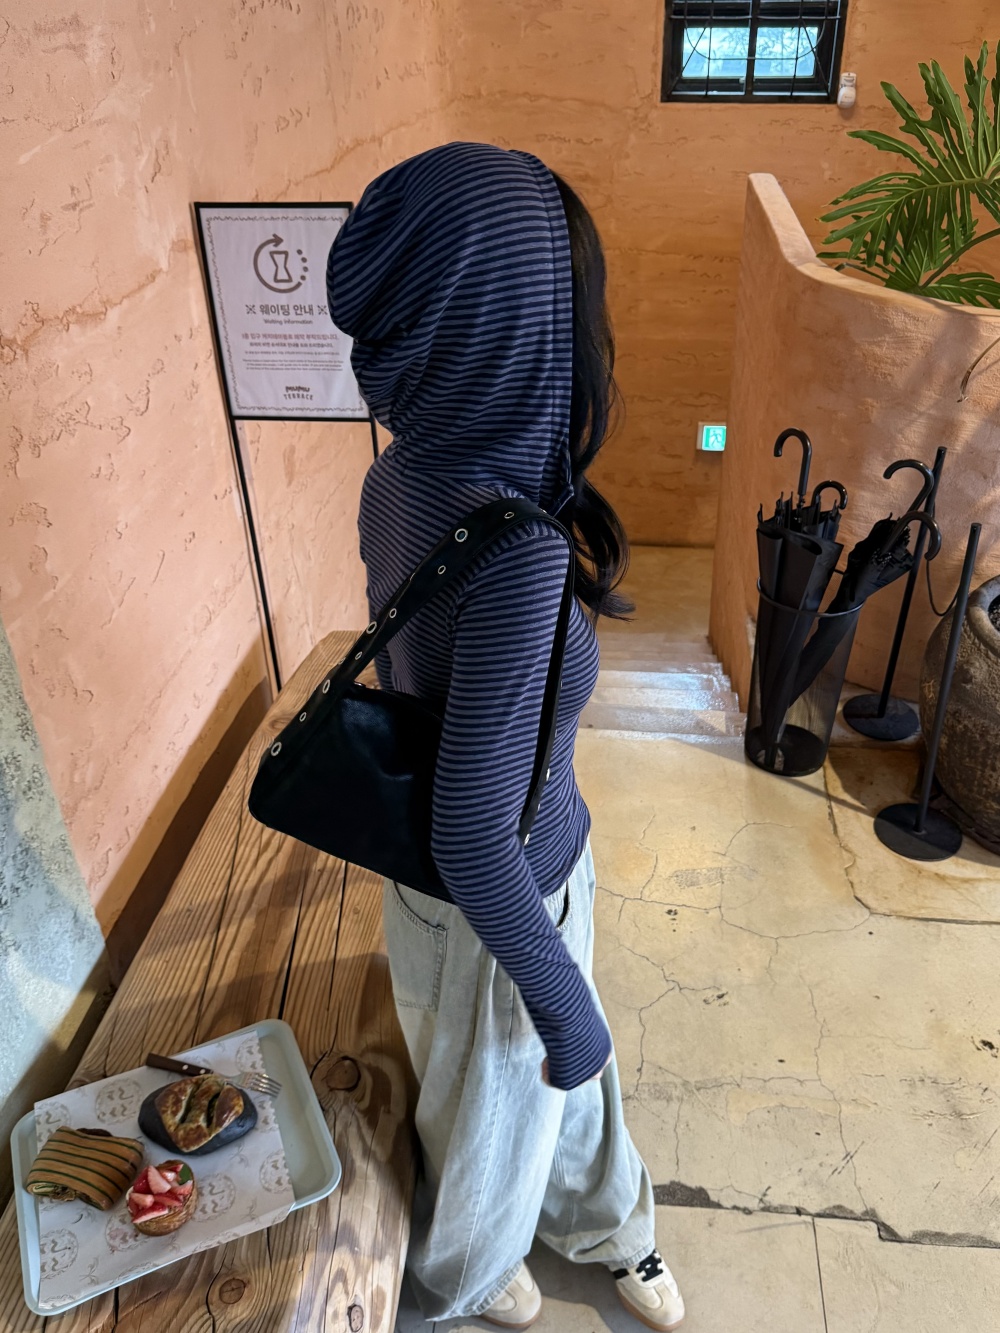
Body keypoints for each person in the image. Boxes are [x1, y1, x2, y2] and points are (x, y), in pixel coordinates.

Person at [326, 141, 685, 1332]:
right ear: (513, 326)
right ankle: (477, 1275)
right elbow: (473, 833)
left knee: (540, 1089)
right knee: (494, 1118)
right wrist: (565, 1004)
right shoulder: (520, 551)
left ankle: (606, 1224)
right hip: (497, 895)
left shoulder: (396, 479)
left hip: (486, 881)